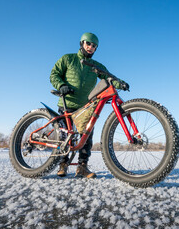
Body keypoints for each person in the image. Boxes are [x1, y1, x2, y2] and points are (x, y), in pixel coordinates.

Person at [50, 32, 126, 178]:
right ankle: (63, 164)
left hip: (85, 106)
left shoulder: (95, 65)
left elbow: (108, 77)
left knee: (87, 136)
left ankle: (82, 167)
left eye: (94, 46)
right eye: (88, 44)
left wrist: (119, 83)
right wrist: (61, 85)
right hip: (67, 103)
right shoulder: (68, 59)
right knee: (65, 136)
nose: (91, 47)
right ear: (82, 43)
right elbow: (54, 74)